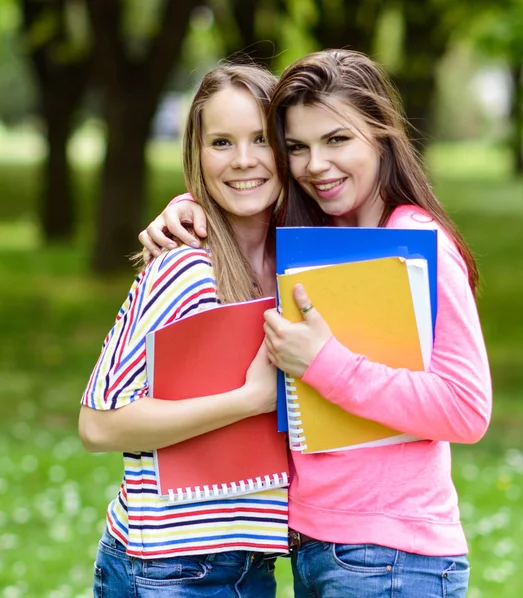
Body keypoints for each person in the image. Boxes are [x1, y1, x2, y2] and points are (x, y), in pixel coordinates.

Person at [139, 49, 492, 598]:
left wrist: (326, 365)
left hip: (393, 556)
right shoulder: (318, 237)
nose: (316, 165)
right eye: (297, 148)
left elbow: (467, 410)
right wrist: (187, 205)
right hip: (313, 543)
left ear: (380, 134)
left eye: (337, 140)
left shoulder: (422, 247)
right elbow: (242, 192)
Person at [79, 64, 288, 598]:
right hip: (174, 568)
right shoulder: (186, 267)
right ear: (196, 155)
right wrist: (249, 400)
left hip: (246, 559)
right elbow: (99, 424)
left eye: (261, 139)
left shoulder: (295, 267)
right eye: (221, 142)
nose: (243, 160)